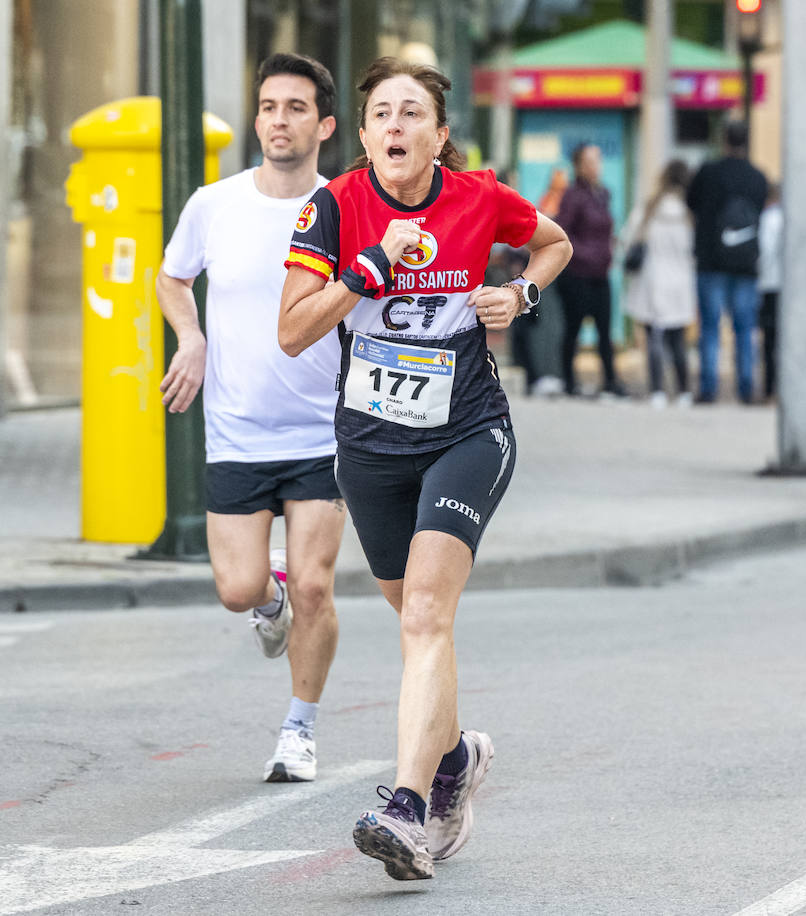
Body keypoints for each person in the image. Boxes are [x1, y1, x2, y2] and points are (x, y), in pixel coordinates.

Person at [279, 56, 572, 881]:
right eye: (381, 115)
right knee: (414, 624)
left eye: (413, 115)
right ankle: (452, 760)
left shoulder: (480, 198)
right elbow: (293, 330)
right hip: (370, 447)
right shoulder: (334, 208)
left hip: (468, 431)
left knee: (425, 620)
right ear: (364, 134)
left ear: (440, 136)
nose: (396, 128)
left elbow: (553, 243)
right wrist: (369, 267)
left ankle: (407, 807)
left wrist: (522, 296)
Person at [157, 53, 344, 784]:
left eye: (296, 107)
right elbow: (173, 277)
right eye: (269, 106)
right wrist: (192, 338)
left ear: (324, 124)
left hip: (324, 433)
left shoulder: (345, 205)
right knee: (239, 589)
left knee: (316, 588)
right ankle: (267, 605)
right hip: (236, 430)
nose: (278, 120)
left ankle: (299, 729)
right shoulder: (215, 203)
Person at [686, 120, 768, 404]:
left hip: (710, 262)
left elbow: (691, 203)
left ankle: (709, 388)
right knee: (745, 328)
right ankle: (746, 388)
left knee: (710, 326)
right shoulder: (758, 177)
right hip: (746, 265)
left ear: (724, 140)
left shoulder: (708, 173)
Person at [624, 159, 697, 408]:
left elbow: (628, 238)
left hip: (652, 280)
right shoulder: (689, 213)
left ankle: (657, 391)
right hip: (680, 282)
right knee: (678, 340)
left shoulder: (649, 209)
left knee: (653, 338)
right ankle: (684, 392)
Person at [555, 144, 622, 398]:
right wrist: (587, 253)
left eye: (598, 160)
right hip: (578, 275)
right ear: (579, 166)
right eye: (590, 161)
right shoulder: (573, 196)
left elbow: (605, 229)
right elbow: (563, 233)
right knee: (573, 329)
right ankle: (568, 381)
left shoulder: (603, 193)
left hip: (601, 274)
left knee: (605, 330)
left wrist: (610, 249)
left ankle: (611, 381)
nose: (595, 166)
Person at [756, 183, 783, 401]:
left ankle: (770, 387)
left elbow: (764, 252)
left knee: (770, 341)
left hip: (771, 285)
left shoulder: (768, 219)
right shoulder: (792, 218)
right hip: (792, 290)